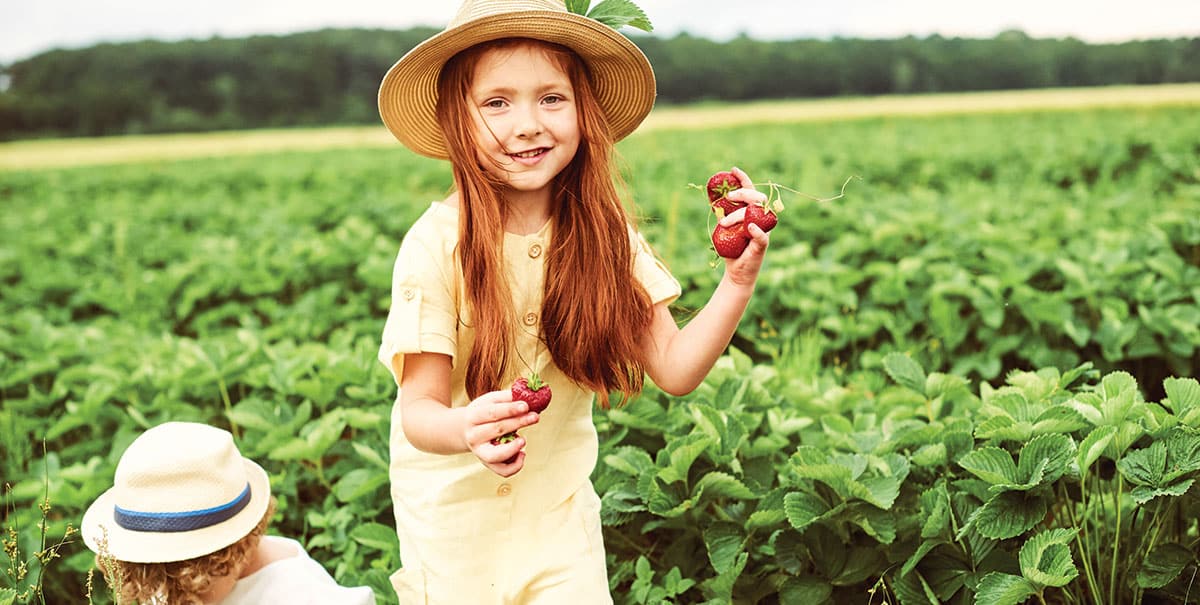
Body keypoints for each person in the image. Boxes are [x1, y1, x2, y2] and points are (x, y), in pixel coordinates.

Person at [375, 0, 770, 602]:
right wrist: (466, 427)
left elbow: (675, 366)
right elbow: (419, 410)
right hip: (450, 528)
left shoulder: (605, 236)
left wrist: (736, 281)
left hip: (558, 519)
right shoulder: (435, 244)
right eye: (497, 102)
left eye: (552, 98)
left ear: (585, 110)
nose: (528, 123)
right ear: (459, 118)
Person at [80, 421, 376, 605]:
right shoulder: (169, 577)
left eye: (194, 589)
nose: (175, 601)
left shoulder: (298, 593)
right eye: (157, 586)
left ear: (236, 550)